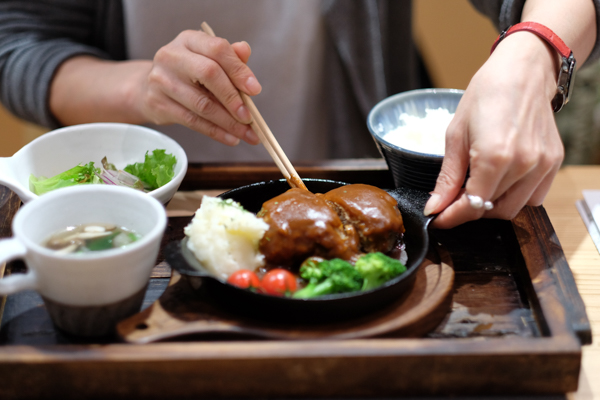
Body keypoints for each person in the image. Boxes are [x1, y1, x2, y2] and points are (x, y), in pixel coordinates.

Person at [0, 0, 598, 229]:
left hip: (364, 181)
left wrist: (533, 50)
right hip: (140, 208)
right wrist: (142, 87)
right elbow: (19, 43)